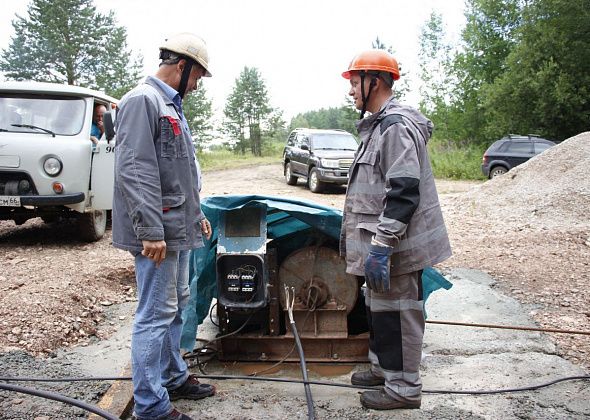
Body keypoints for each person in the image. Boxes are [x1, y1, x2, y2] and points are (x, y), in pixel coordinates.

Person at [340, 50, 452, 410]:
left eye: (355, 83)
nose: (351, 91)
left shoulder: (396, 127)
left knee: (400, 315)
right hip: (382, 246)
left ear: (374, 81)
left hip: (395, 249)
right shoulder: (378, 127)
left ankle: (403, 389)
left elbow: (403, 191)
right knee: (380, 311)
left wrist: (383, 245)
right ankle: (383, 369)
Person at [112, 33, 215, 420]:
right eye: (196, 77)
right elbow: (136, 170)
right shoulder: (144, 100)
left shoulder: (171, 107)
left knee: (177, 305)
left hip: (178, 228)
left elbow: (180, 173)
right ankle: (151, 406)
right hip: (158, 234)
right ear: (180, 66)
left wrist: (198, 214)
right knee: (155, 314)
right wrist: (150, 231)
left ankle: (172, 376)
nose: (195, 85)